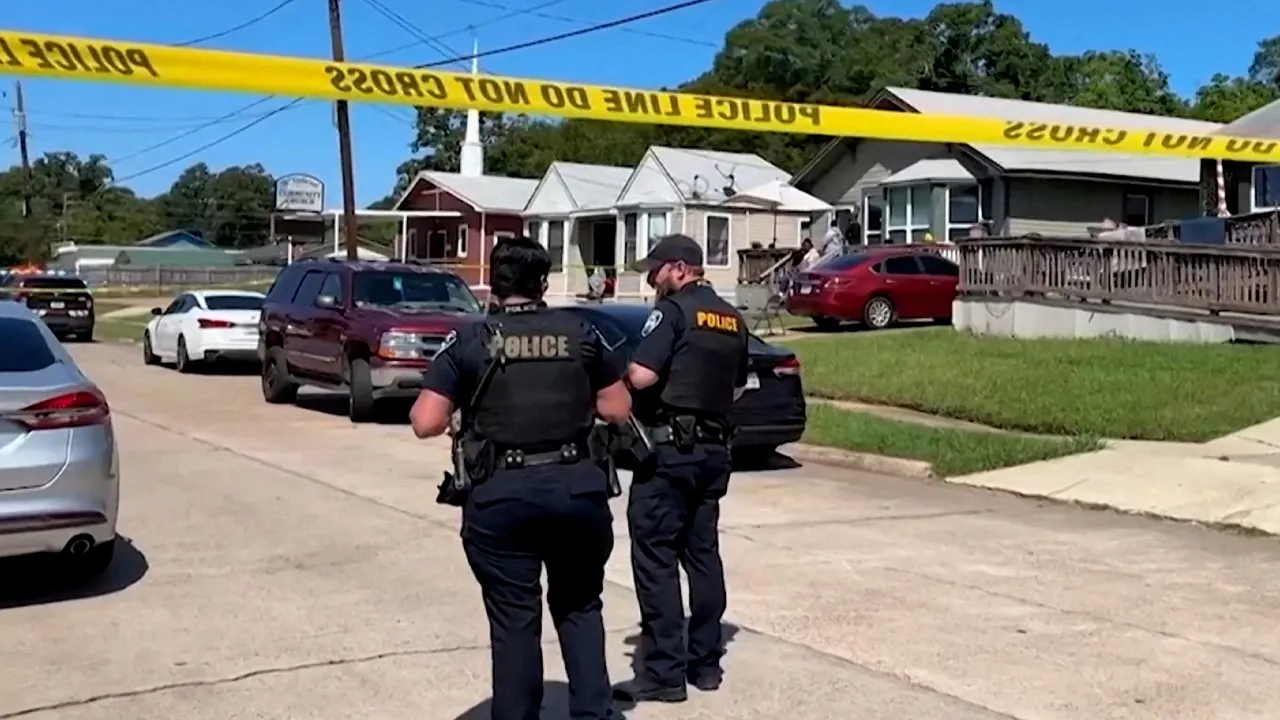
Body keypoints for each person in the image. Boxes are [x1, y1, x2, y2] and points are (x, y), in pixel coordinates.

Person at [409, 235, 633, 720]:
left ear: (494, 283)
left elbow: (425, 421)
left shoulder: (469, 339)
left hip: (501, 499)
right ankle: (594, 713)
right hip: (577, 490)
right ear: (543, 283)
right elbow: (618, 408)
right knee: (580, 606)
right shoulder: (581, 333)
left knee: (514, 619)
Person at [613, 233, 750, 704]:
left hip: (670, 454)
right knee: (703, 557)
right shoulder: (732, 319)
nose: (652, 279)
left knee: (655, 559)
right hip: (714, 455)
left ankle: (664, 673)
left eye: (655, 271)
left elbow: (642, 376)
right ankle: (706, 663)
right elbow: (735, 389)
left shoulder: (672, 312)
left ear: (677, 268)